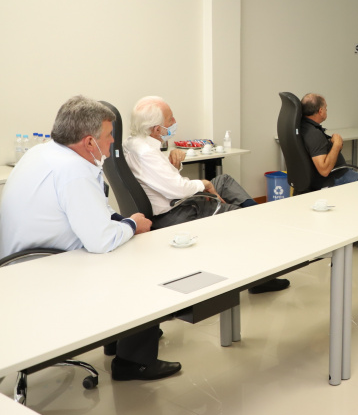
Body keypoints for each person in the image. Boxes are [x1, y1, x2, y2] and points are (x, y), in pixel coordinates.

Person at [0, 95, 180, 382]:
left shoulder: (43, 153)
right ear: (89, 141)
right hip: (43, 269)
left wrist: (121, 221)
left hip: (20, 263)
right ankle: (135, 362)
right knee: (144, 265)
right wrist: (132, 224)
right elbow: (101, 240)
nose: (111, 144)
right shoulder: (73, 170)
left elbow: (94, 211)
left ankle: (121, 340)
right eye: (108, 137)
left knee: (128, 247)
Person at [123, 96, 289, 294]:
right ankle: (260, 279)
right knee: (242, 218)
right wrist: (204, 183)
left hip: (171, 203)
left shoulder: (135, 143)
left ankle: (261, 215)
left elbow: (161, 179)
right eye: (170, 119)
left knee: (224, 180)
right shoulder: (146, 153)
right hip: (177, 212)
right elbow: (179, 189)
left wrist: (174, 161)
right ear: (157, 129)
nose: (174, 123)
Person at [300, 93, 358, 189]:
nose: (326, 110)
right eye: (326, 108)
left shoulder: (305, 127)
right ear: (320, 111)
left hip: (335, 175)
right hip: (336, 178)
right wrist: (337, 144)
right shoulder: (314, 134)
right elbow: (324, 170)